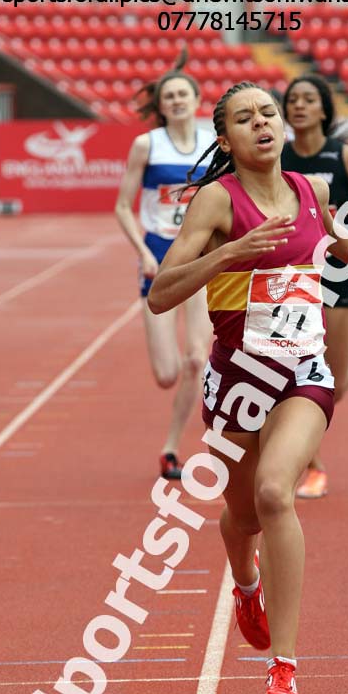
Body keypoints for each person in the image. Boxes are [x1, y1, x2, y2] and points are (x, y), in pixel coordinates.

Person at [147, 81, 348, 694]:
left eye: (268, 112)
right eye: (244, 118)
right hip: (237, 382)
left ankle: (283, 667)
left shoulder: (311, 190)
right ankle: (246, 582)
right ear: (226, 139)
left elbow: (341, 246)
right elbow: (161, 293)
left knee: (272, 492)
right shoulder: (214, 201)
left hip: (302, 375)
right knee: (243, 518)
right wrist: (231, 252)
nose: (262, 122)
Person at [281, 74, 348, 498]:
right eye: (293, 100)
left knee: (335, 383)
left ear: (324, 109)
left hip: (340, 271)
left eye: (308, 100)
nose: (299, 106)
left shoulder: (345, 157)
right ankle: (313, 464)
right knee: (294, 377)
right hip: (292, 274)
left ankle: (347, 346)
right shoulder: (277, 157)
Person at [115, 53, 215, 479]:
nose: (175, 101)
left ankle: (172, 447)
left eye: (182, 94)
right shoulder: (147, 145)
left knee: (197, 359)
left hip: (199, 256)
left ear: (196, 99)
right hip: (158, 255)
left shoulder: (215, 140)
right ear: (161, 105)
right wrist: (144, 252)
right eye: (168, 96)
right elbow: (122, 206)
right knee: (166, 373)